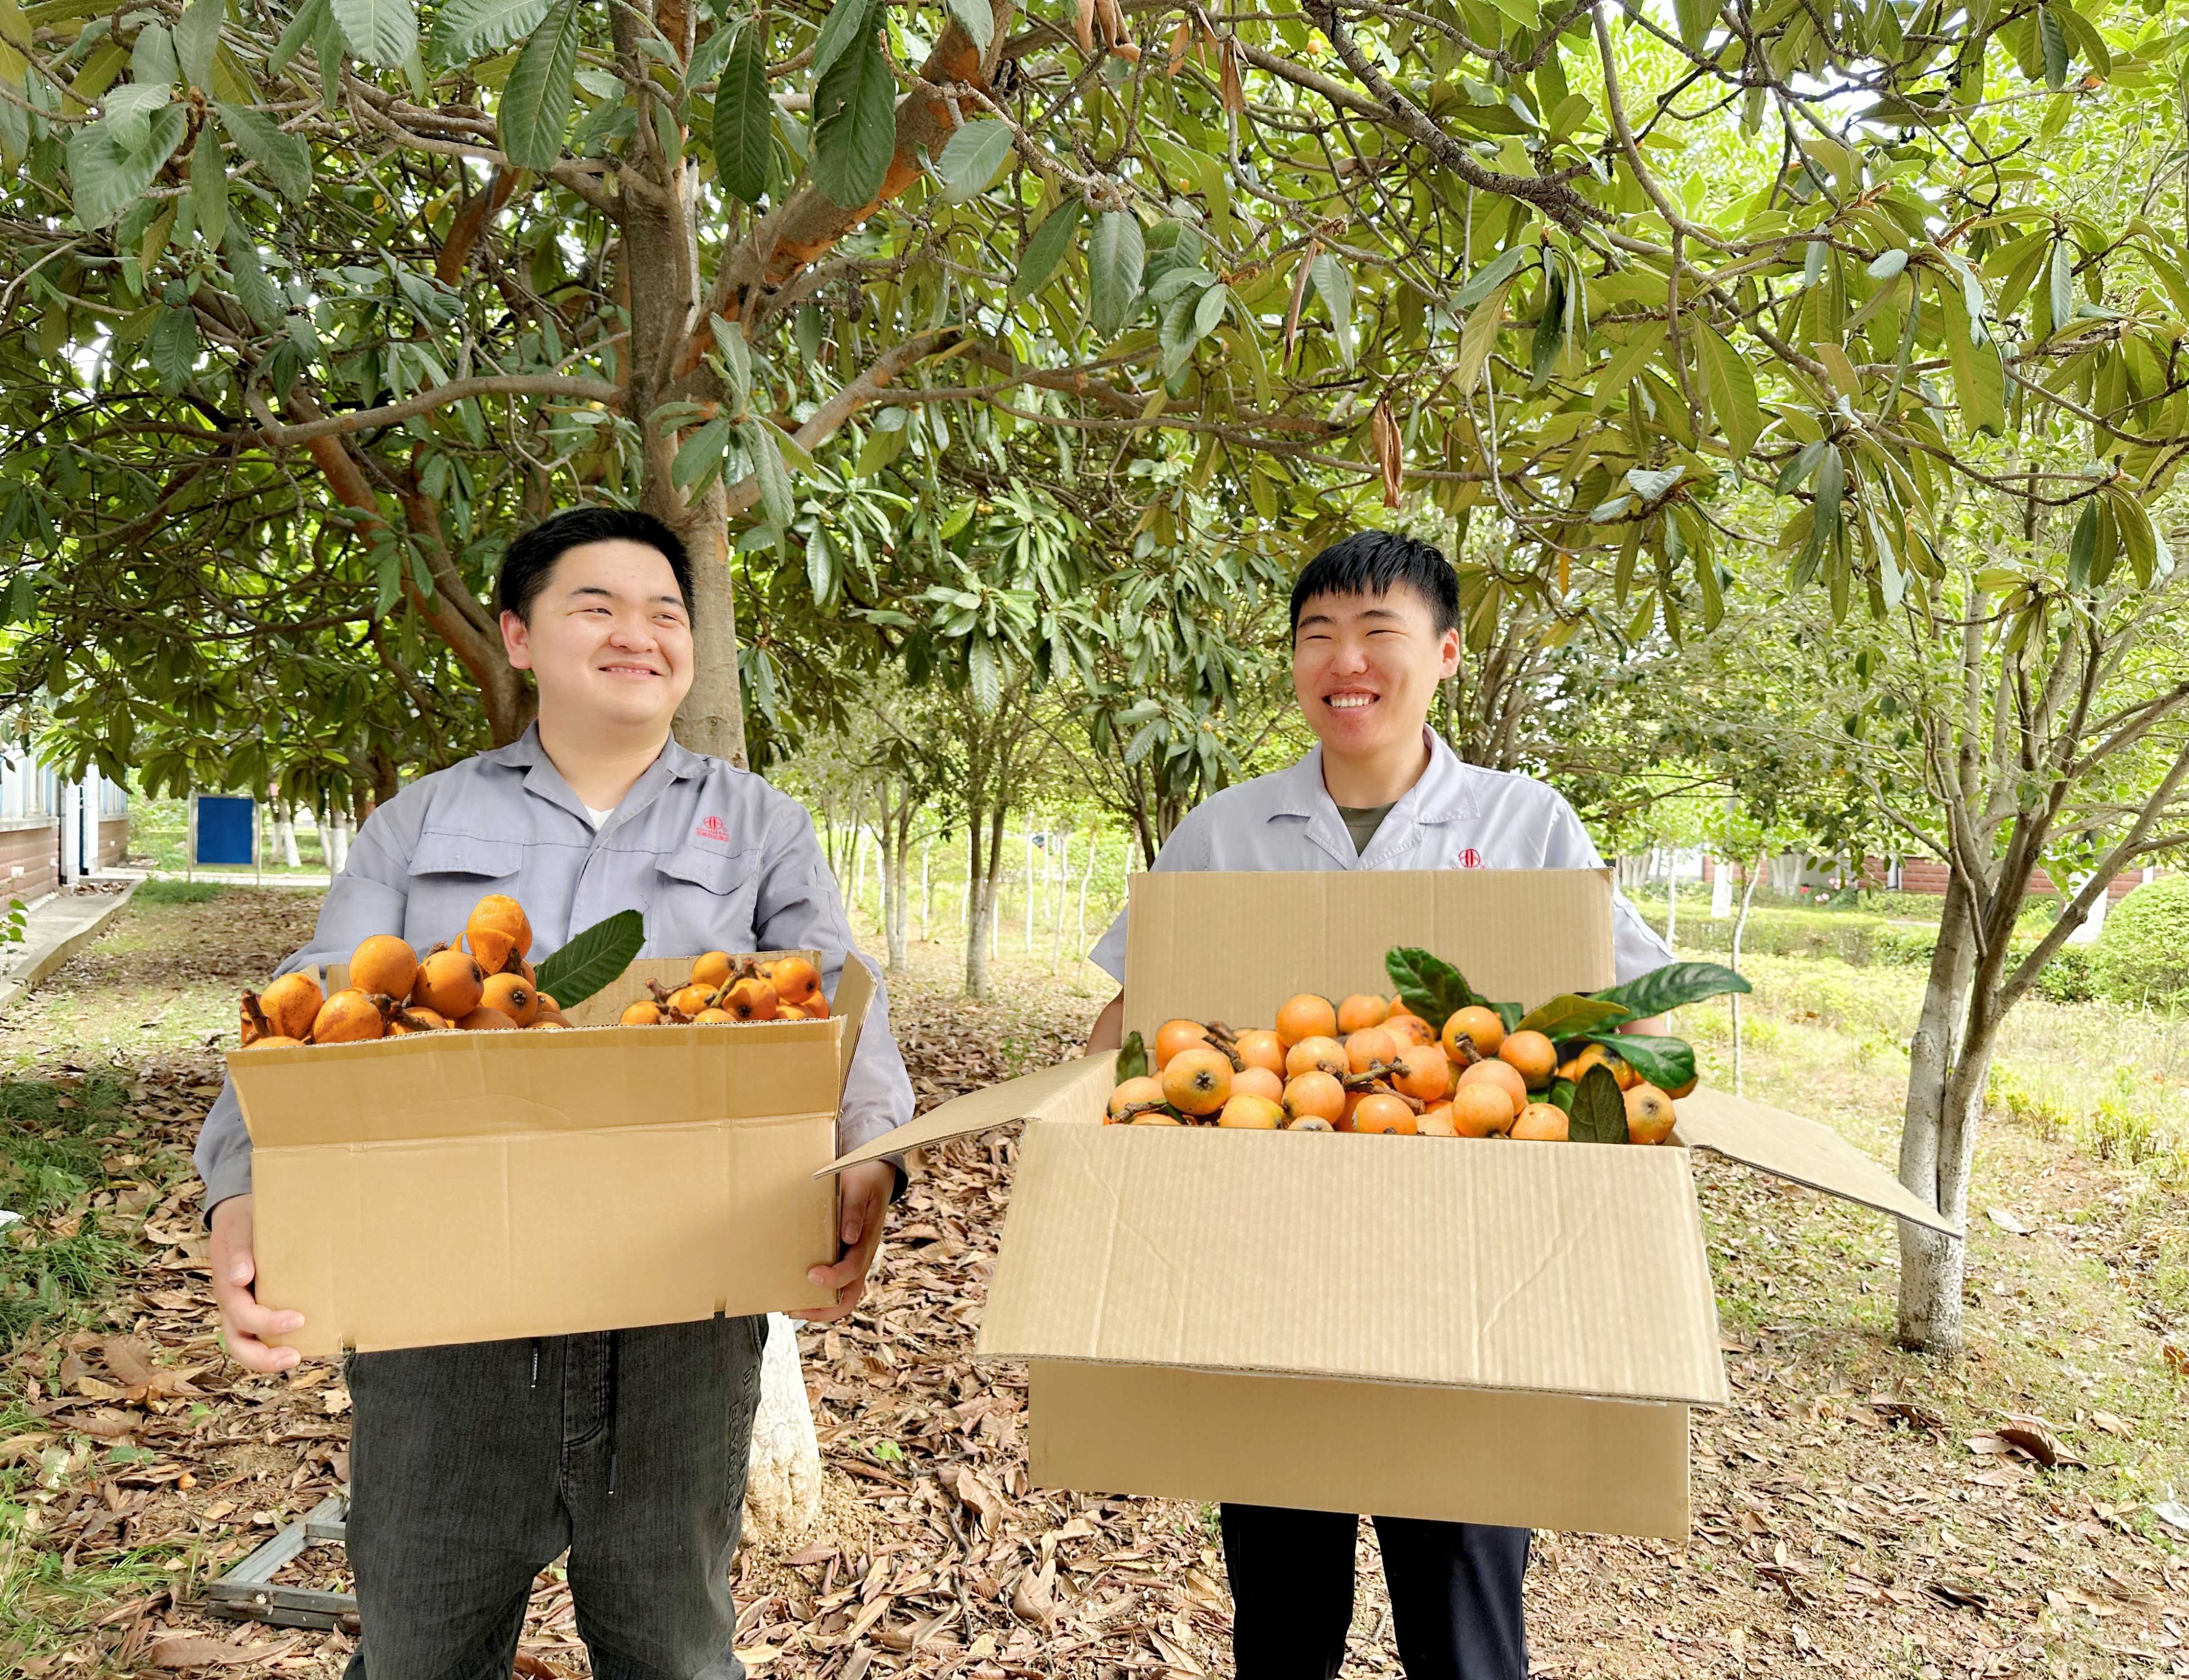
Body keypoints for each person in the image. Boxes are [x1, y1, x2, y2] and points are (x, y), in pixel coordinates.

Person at [196, 506, 911, 1680]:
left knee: (674, 1652)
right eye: (598, 606)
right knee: (421, 1650)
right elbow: (303, 1009)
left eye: (665, 613)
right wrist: (239, 1195)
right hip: (443, 1323)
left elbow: (839, 1007)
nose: (639, 634)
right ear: (519, 639)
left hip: (682, 1317)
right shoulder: (420, 822)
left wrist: (869, 1161)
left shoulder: (762, 828)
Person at [1084, 529, 1675, 1680]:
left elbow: (1630, 1022)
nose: (1343, 660)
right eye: (1317, 635)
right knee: (1281, 1607)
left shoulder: (1525, 825)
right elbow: (1129, 1032)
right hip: (1265, 1274)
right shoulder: (1221, 833)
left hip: (1468, 1283)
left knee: (1463, 1614)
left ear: (1445, 653)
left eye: (1377, 632)